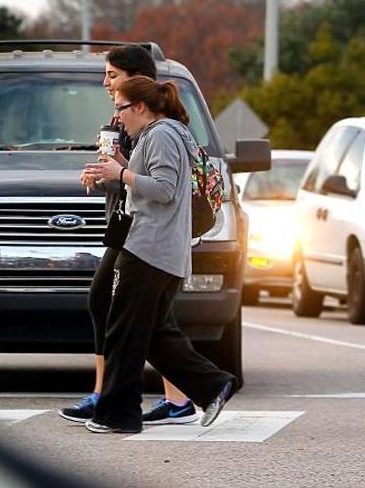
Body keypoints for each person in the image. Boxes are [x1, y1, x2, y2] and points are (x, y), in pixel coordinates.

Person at [80, 76, 235, 433]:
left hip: (148, 247)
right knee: (151, 333)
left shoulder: (162, 134)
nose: (117, 118)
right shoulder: (161, 134)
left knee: (123, 332)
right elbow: (152, 182)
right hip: (161, 249)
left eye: (120, 108)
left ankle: (118, 415)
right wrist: (117, 168)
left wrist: (123, 173)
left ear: (140, 106)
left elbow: (164, 190)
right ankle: (212, 386)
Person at [60, 45, 198, 426]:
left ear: (139, 84)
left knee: (117, 306)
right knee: (125, 309)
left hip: (146, 233)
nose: (105, 83)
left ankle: (136, 398)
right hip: (128, 225)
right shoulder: (124, 120)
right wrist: (105, 175)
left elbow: (159, 184)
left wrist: (119, 174)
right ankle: (173, 397)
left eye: (112, 75)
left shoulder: (156, 127)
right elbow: (127, 178)